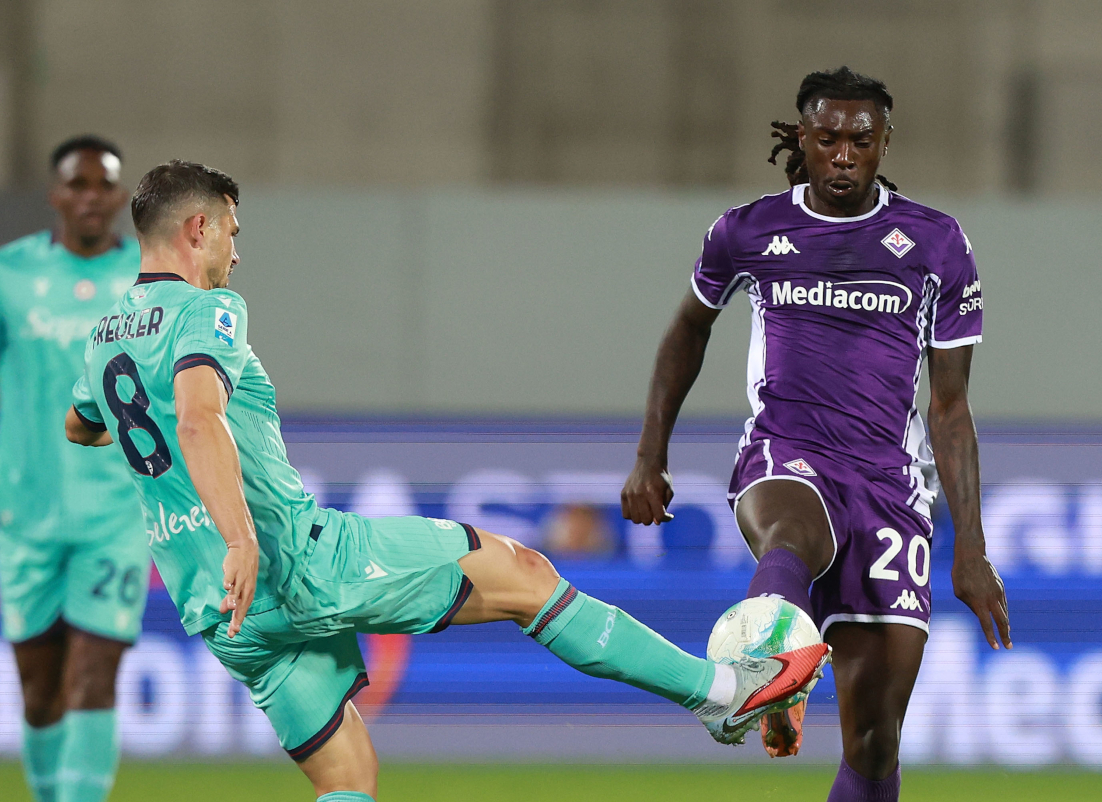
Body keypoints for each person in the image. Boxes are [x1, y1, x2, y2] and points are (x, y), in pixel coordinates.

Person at [64, 160, 831, 802]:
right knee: (523, 573)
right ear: (198, 229)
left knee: (348, 776)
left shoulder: (104, 337)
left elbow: (83, 424)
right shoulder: (210, 314)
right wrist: (239, 534)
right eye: (233, 230)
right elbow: (200, 419)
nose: (237, 251)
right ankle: (722, 697)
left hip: (220, 612)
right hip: (291, 561)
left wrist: (152, 448)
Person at [621, 67, 1011, 802]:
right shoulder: (748, 229)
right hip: (786, 454)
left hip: (889, 488)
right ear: (802, 137)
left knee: (874, 742)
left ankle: (784, 666)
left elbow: (950, 409)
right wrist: (651, 456)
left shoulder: (936, 244)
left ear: (884, 143)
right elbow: (688, 329)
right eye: (826, 136)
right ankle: (771, 670)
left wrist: (973, 547)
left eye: (859, 139)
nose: (841, 153)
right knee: (791, 537)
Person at [0, 136, 148, 802]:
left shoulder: (150, 282)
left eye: (104, 185)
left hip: (116, 514)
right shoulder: (10, 277)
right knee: (39, 692)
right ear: (57, 194)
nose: (91, 196)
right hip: (23, 515)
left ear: (121, 198)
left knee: (94, 676)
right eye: (77, 184)